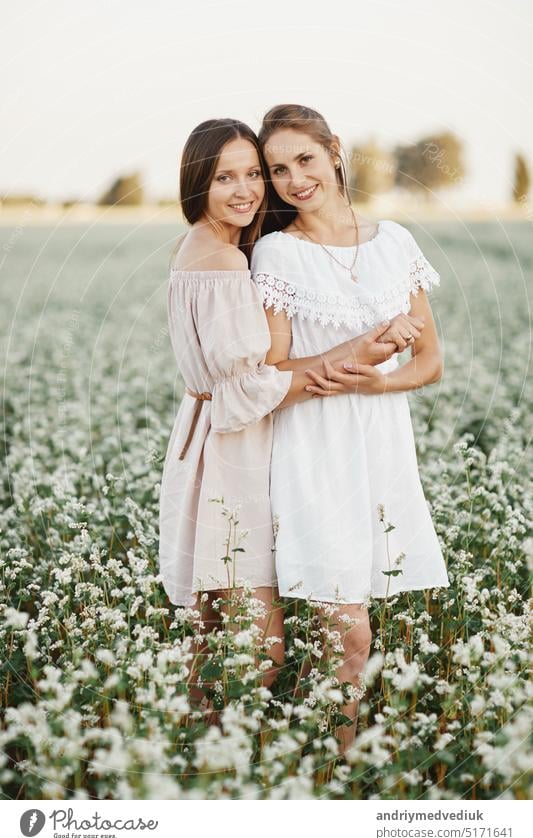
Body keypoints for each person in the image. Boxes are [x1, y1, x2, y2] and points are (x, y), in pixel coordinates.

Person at [158, 118, 414, 704]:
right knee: (257, 656)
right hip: (232, 455)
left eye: (254, 174)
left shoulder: (207, 246)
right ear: (196, 181)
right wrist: (352, 358)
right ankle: (216, 772)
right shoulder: (222, 262)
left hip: (212, 443)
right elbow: (246, 388)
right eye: (226, 177)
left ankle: (200, 760)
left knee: (215, 640)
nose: (246, 189)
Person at [251, 103, 450, 752]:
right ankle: (333, 777)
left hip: (380, 449)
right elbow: (272, 374)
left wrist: (375, 378)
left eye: (303, 159)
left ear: (333, 149)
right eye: (277, 169)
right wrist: (364, 345)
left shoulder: (395, 241)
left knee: (339, 638)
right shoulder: (277, 253)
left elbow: (428, 361)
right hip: (315, 455)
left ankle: (307, 765)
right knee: (351, 633)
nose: (292, 179)